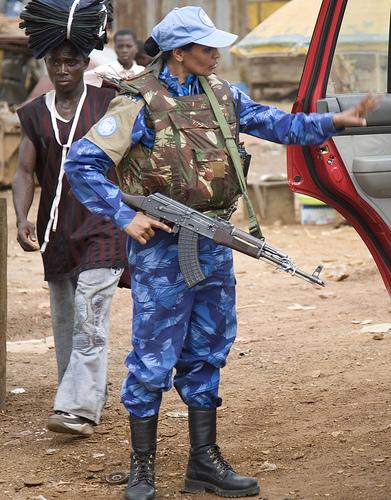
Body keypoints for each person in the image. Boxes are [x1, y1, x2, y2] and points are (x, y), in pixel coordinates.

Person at [64, 5, 378, 498]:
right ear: (180, 53)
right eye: (207, 48)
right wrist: (127, 215)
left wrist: (335, 120)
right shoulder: (138, 101)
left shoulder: (223, 96)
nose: (216, 55)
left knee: (208, 348)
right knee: (152, 355)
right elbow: (82, 165)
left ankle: (203, 463)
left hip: (212, 241)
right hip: (161, 252)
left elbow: (277, 125)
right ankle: (142, 467)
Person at [13, 0, 127, 438]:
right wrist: (22, 217)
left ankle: (77, 408)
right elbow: (24, 171)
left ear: (85, 62)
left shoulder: (109, 102)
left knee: (90, 314)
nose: (62, 69)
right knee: (65, 318)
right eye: (55, 61)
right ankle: (80, 393)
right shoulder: (35, 112)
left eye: (71, 61)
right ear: (47, 63)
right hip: (56, 228)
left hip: (103, 225)